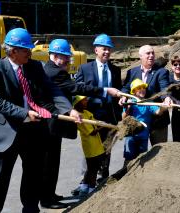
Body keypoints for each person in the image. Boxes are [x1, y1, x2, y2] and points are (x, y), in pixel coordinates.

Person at [0, 28, 81, 213]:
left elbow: (52, 89)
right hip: (7, 132)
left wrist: (69, 109)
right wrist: (24, 113)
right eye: (25, 49)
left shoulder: (34, 67)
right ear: (12, 51)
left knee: (33, 175)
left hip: (33, 131)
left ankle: (31, 209)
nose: (30, 52)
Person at [41, 38, 120, 208]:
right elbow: (77, 88)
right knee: (49, 163)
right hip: (50, 126)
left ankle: (49, 194)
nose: (69, 61)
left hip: (55, 124)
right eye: (66, 57)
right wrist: (105, 90)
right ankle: (46, 199)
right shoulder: (55, 72)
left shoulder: (50, 69)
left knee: (53, 162)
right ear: (55, 56)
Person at [75, 34, 122, 180]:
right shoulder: (85, 68)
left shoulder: (115, 70)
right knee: (90, 147)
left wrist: (121, 99)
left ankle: (103, 177)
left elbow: (118, 90)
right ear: (96, 50)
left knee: (106, 147)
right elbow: (78, 89)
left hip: (110, 114)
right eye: (104, 49)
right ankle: (87, 179)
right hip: (91, 114)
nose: (107, 52)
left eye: (109, 49)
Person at [119, 45, 172, 146]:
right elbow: (126, 87)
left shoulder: (162, 72)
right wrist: (123, 96)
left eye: (152, 53)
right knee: (135, 155)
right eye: (148, 53)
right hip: (137, 120)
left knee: (159, 154)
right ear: (140, 56)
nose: (151, 55)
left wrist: (167, 98)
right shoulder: (132, 72)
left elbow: (164, 87)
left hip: (158, 121)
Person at [122, 79, 166, 162]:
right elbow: (123, 118)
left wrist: (163, 107)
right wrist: (127, 108)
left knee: (142, 159)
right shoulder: (130, 102)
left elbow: (158, 112)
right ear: (134, 91)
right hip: (131, 136)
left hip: (143, 136)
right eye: (139, 88)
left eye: (143, 87)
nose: (142, 90)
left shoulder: (148, 102)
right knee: (129, 159)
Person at [73, 96, 106, 195]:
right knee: (93, 167)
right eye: (84, 101)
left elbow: (94, 122)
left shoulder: (87, 113)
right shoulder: (79, 117)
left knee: (91, 167)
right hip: (90, 146)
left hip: (96, 144)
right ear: (78, 103)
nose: (86, 102)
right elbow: (91, 132)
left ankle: (84, 186)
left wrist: (99, 123)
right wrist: (101, 126)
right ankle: (92, 188)